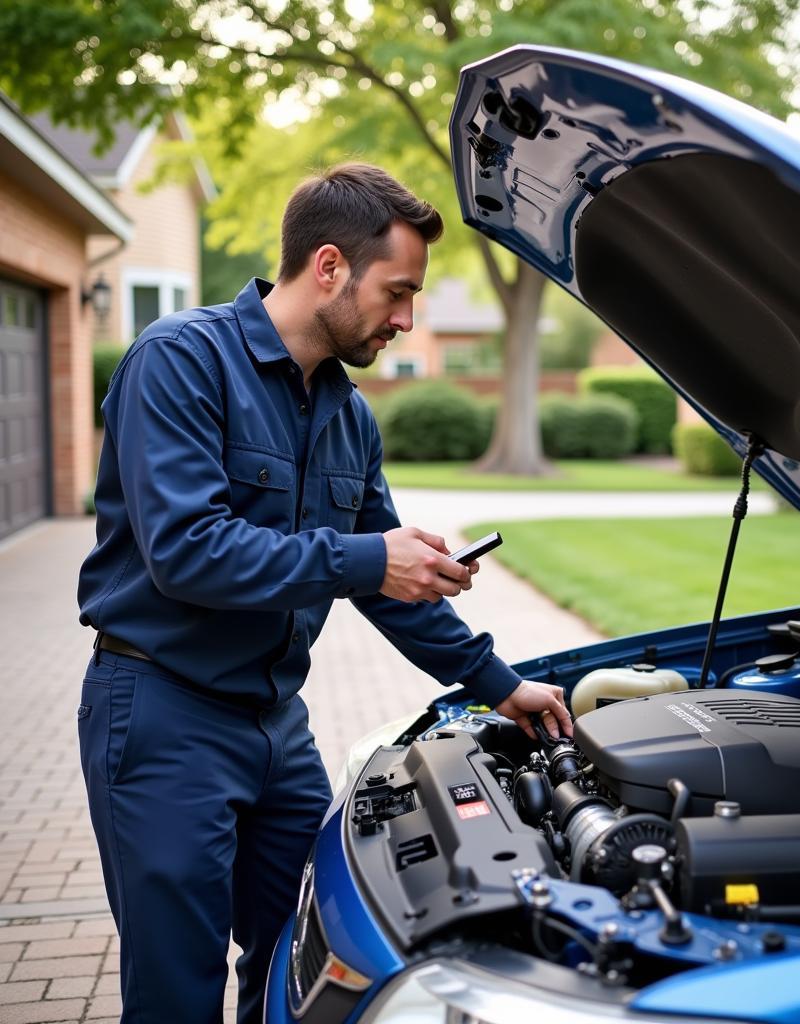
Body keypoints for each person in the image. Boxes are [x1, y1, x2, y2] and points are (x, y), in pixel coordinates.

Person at [77, 163, 572, 1024]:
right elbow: (188, 553)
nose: (408, 319)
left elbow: (386, 586)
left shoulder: (349, 416)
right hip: (162, 716)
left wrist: (502, 684)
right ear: (332, 267)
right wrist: (367, 560)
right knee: (175, 992)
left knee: (305, 967)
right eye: (399, 292)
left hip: (278, 729)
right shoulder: (180, 362)